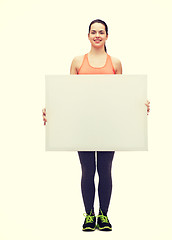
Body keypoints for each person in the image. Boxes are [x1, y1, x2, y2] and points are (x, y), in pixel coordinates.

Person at [42, 19, 150, 231]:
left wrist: (139, 105)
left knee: (105, 170)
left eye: (101, 32)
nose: (97, 35)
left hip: (108, 126)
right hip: (83, 125)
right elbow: (68, 95)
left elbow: (122, 96)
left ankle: (104, 216)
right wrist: (52, 110)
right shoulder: (77, 62)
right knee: (87, 170)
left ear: (107, 36)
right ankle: (89, 216)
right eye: (93, 32)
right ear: (88, 36)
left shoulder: (115, 63)